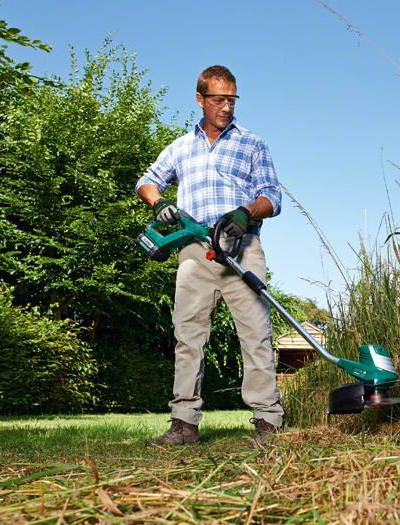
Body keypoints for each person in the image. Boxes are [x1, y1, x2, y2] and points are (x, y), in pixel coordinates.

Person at [135, 65, 284, 445]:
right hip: (194, 252)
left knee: (255, 335)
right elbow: (147, 181)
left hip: (242, 248)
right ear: (200, 100)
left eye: (232, 99)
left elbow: (272, 195)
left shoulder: (252, 143)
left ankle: (268, 422)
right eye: (219, 99)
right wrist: (159, 204)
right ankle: (183, 424)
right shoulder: (181, 147)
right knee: (188, 335)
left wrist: (245, 213)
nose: (227, 107)